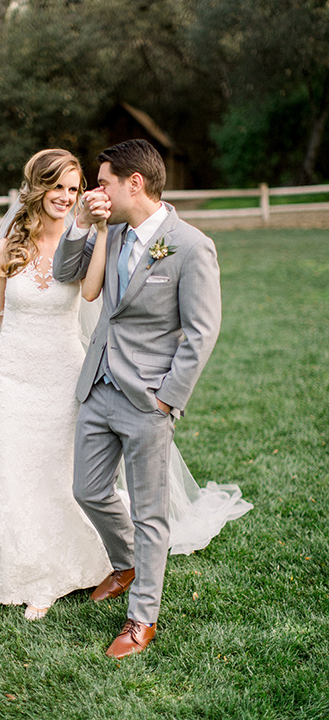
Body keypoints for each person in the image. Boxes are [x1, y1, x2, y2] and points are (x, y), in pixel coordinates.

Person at [53, 139, 252, 658]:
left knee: (149, 513)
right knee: (87, 490)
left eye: (103, 183)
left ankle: (142, 618)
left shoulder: (190, 245)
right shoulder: (111, 229)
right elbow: (66, 274)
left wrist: (167, 398)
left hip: (148, 399)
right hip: (97, 385)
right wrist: (82, 220)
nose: (98, 191)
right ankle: (128, 563)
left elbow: (203, 331)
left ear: (133, 183)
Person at [0, 148, 113, 620]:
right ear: (37, 188)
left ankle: (55, 570)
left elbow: (89, 292)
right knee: (13, 469)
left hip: (63, 374)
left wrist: (99, 231)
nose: (66, 197)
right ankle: (23, 568)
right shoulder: (9, 244)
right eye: (57, 186)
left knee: (57, 473)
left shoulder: (81, 237)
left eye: (74, 188)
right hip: (12, 377)